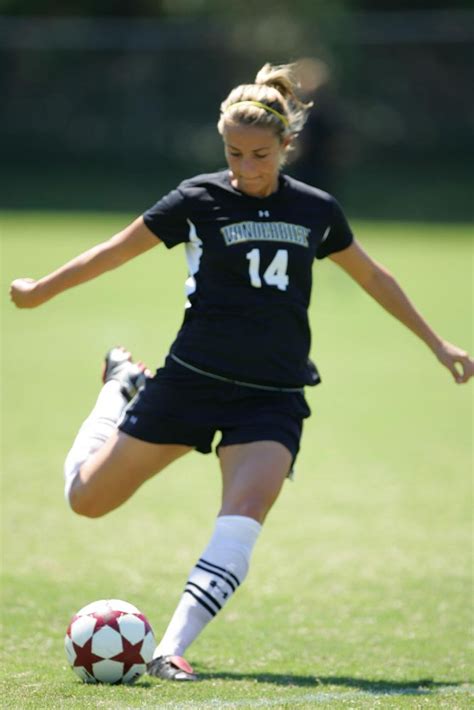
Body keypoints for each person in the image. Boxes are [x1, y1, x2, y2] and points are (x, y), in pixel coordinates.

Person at [10, 62, 473, 682]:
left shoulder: (316, 209)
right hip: (191, 381)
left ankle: (169, 648)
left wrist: (436, 342)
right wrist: (42, 289)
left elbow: (372, 277)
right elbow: (114, 250)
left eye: (260, 154)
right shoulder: (199, 198)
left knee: (244, 514)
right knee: (87, 501)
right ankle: (119, 389)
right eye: (234, 153)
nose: (247, 168)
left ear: (287, 146)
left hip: (272, 395)